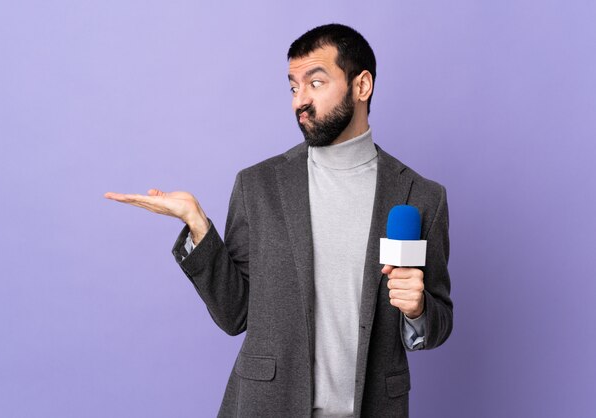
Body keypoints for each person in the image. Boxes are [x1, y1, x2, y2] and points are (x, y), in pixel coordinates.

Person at [105, 23, 452, 418]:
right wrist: (198, 225)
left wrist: (418, 308)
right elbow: (235, 314)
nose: (299, 101)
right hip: (267, 407)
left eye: (315, 83)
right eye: (293, 87)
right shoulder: (258, 186)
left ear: (362, 86)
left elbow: (437, 322)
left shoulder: (421, 197)